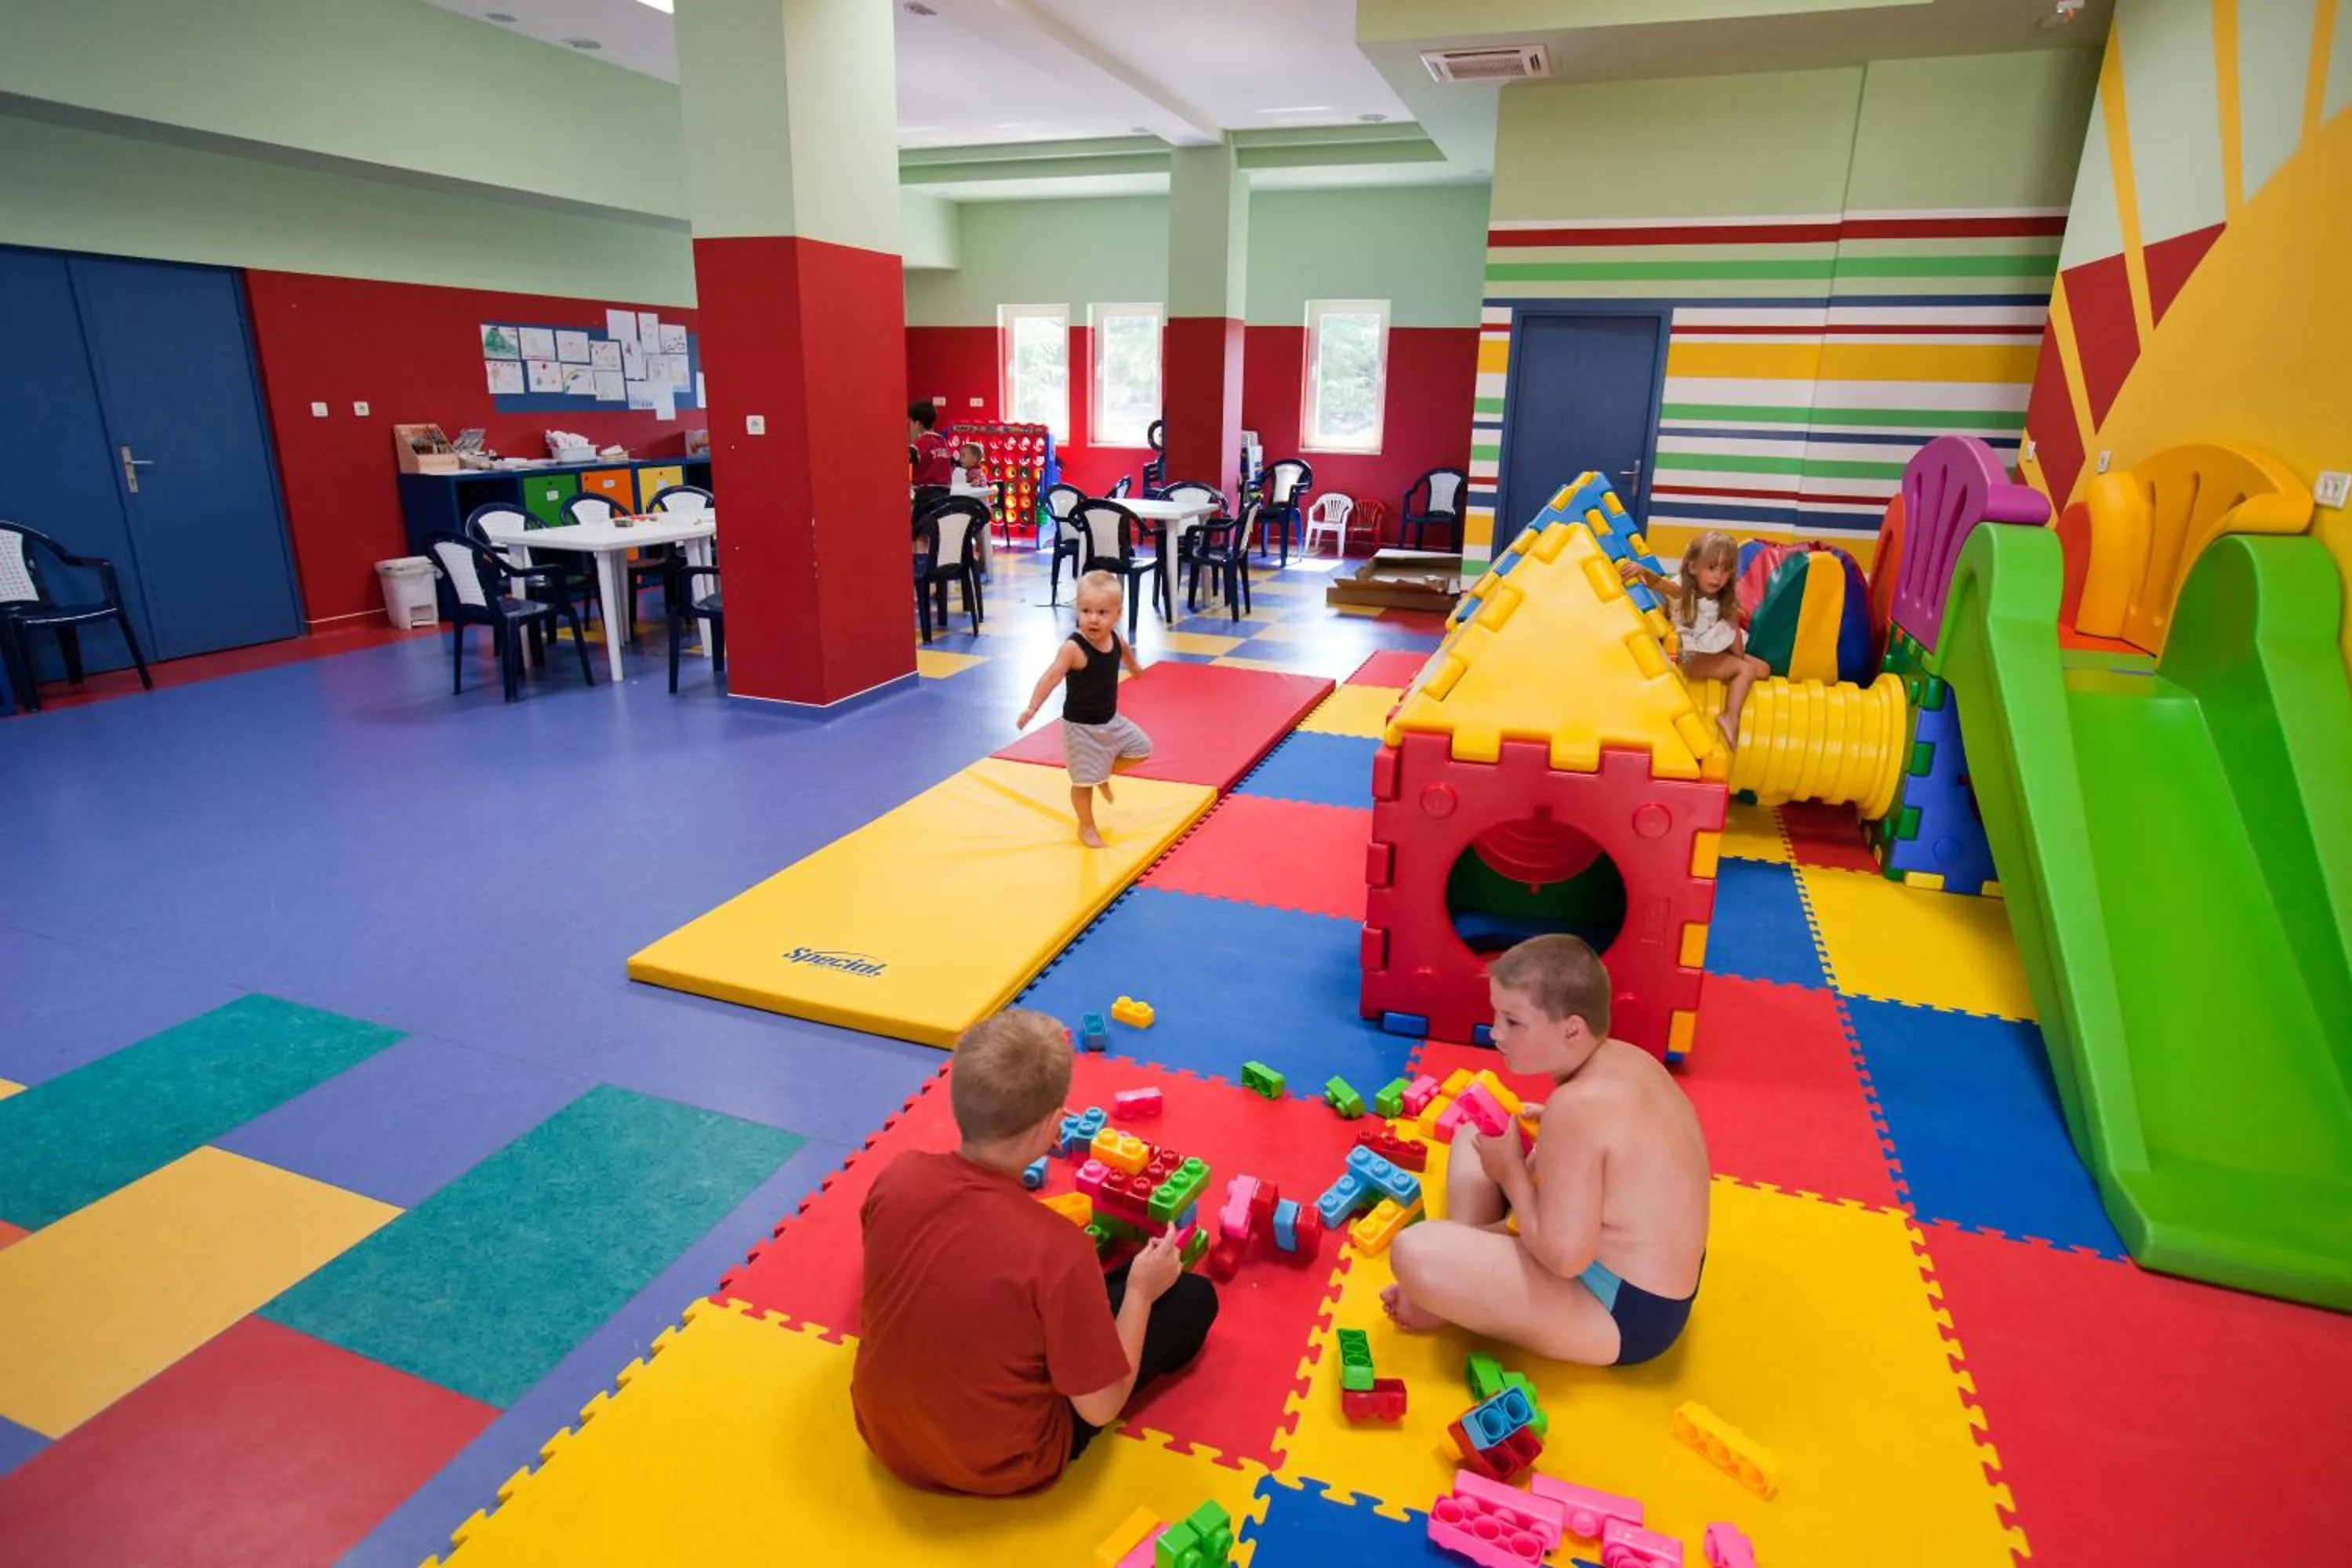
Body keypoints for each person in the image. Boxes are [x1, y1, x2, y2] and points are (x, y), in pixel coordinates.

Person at [851, 1009, 1219, 1494]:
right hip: (1006, 1463)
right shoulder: (1058, 1248)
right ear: (1053, 1125)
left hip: (883, 1433)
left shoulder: (897, 1176)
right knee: (1193, 1299)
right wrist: (1140, 1294)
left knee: (1063, 1293)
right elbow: (1101, 1406)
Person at [1381, 935, 1709, 1367]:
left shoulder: (1577, 1109)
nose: (1496, 1033)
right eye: (1496, 1015)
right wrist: (1545, 1143)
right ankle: (1465, 1281)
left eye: (1514, 1022)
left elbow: (1564, 1259)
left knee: (1413, 1251)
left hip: (1624, 1309)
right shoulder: (1626, 1058)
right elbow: (1614, 1148)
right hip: (1631, 1262)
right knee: (1470, 1136)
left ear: (1572, 1029)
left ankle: (1453, 1294)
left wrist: (1512, 1173)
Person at [1017, 572, 1151, 848]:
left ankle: (1102, 772)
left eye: (1102, 612)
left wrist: (1134, 667)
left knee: (1142, 749)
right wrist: (1032, 707)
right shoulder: (1073, 648)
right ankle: (1086, 826)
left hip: (1111, 721)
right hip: (1080, 728)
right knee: (1082, 784)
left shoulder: (1115, 638)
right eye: (1086, 610)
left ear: (1117, 614)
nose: (1093, 618)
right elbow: (1050, 677)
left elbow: (1125, 651)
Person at [1617, 532, 1770, 750]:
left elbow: (1735, 648)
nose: (1718, 577)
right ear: (1692, 567)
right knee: (1745, 671)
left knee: (1762, 669)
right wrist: (1642, 570)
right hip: (1689, 656)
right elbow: (1660, 583)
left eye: (1725, 570)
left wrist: (1733, 624)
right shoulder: (1684, 593)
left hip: (1712, 651)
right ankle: (1730, 717)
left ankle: (1732, 685)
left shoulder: (1721, 601)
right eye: (1711, 568)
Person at [909, 401, 954, 519]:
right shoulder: (942, 441)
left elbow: (911, 456)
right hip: (945, 493)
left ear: (918, 424)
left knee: (918, 529)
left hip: (926, 495)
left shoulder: (920, 443)